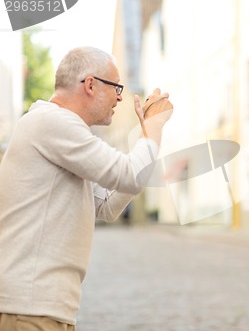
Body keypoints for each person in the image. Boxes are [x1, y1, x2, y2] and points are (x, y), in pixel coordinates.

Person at [0, 46, 173, 330]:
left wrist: (146, 136)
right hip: (30, 307)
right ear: (90, 84)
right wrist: (154, 128)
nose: (120, 97)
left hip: (45, 307)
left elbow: (106, 206)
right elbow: (130, 175)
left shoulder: (58, 128)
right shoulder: (53, 123)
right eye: (116, 87)